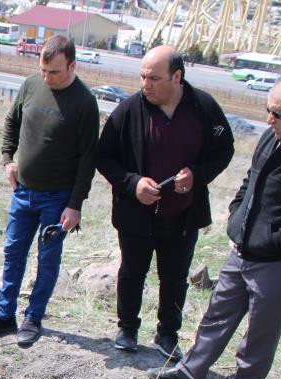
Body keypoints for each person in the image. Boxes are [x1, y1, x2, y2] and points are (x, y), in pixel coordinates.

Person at [148, 74, 281, 379]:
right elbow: (251, 180)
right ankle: (191, 370)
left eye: (276, 113)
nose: (268, 120)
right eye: (267, 110)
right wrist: (237, 215)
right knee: (217, 312)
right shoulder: (275, 135)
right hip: (245, 246)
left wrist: (276, 239)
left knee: (261, 329)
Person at [97, 45, 234, 360]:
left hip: (183, 214)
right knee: (132, 271)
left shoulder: (203, 107)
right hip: (136, 214)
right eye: (143, 76)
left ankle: (167, 334)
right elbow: (104, 157)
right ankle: (127, 328)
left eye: (154, 78)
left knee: (174, 276)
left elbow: (224, 148)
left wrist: (197, 176)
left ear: (177, 76)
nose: (146, 83)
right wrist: (133, 184)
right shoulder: (129, 110)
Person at [0, 34, 99, 349]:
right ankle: (4, 316)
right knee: (13, 252)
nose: (47, 77)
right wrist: (7, 159)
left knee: (48, 259)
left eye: (54, 72)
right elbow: (12, 123)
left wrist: (75, 205)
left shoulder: (85, 102)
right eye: (43, 70)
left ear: (72, 65)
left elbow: (88, 159)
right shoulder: (30, 85)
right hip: (23, 192)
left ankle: (33, 317)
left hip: (58, 199)